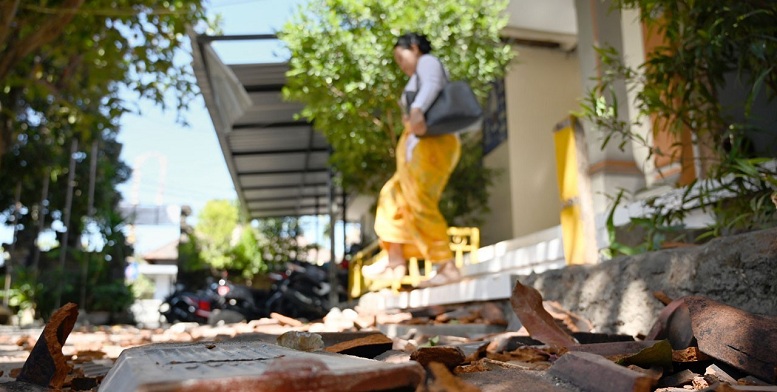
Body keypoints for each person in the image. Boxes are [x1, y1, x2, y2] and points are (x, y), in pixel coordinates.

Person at [372, 32, 461, 288]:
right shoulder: (415, 76)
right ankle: (395, 260)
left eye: (401, 57)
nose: (401, 64)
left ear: (414, 47)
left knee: (419, 202)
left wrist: (417, 109)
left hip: (433, 144)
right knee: (392, 195)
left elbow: (433, 84)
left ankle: (447, 266)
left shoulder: (427, 62)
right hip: (417, 148)